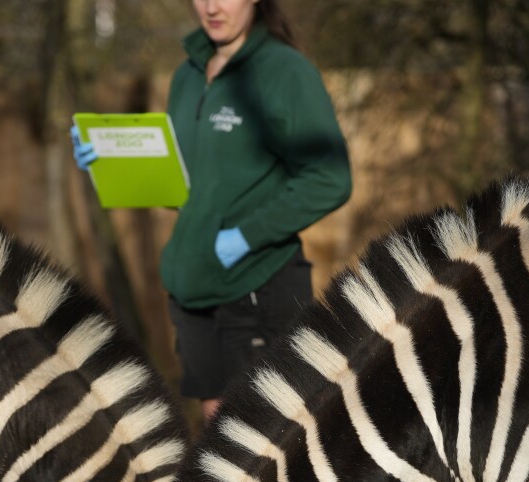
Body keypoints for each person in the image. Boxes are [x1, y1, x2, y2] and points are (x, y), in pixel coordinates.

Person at [73, 0, 351, 422]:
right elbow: (187, 187)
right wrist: (109, 159)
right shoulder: (187, 75)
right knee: (216, 431)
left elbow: (329, 178)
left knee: (265, 432)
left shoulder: (285, 72)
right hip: (194, 287)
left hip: (258, 280)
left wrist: (247, 235)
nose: (211, 6)